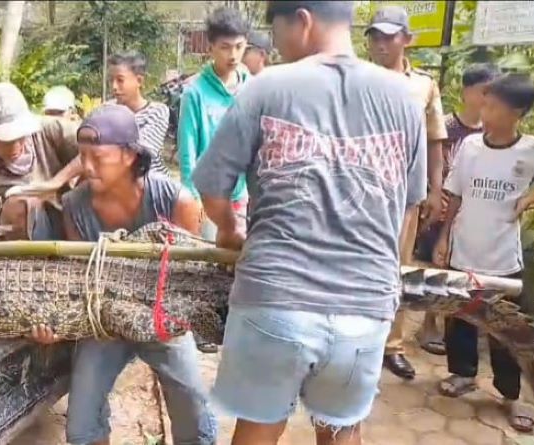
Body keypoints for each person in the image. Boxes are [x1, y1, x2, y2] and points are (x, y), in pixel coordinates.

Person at [195, 2, 426, 444]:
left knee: (257, 427)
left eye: (277, 31)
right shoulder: (404, 99)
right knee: (341, 431)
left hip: (274, 299)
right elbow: (407, 203)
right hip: (365, 307)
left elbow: (212, 188)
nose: (277, 44)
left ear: (302, 20)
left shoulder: (266, 88)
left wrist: (229, 230)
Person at [29, 104, 214, 445]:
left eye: (97, 158)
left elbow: (189, 283)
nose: (86, 167)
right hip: (106, 325)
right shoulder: (74, 206)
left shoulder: (177, 201)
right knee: (81, 426)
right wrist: (57, 325)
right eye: (82, 156)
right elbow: (82, 281)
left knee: (193, 412)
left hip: (162, 320)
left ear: (130, 156)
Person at [433, 73, 534, 433]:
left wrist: (530, 197)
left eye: (493, 107)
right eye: (485, 103)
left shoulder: (532, 150)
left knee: (504, 329)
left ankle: (511, 394)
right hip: (464, 250)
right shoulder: (471, 146)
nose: (484, 112)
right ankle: (463, 374)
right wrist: (444, 237)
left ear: (517, 113)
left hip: (503, 258)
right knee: (460, 318)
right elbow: (456, 194)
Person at [366, 5, 448, 380]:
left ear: (407, 39)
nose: (380, 44)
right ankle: (353, 339)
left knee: (396, 268)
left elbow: (434, 141)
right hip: (357, 191)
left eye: (389, 36)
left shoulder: (423, 86)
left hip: (402, 195)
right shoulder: (356, 79)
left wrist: (436, 189)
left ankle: (391, 345)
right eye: (375, 37)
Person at [413, 63, 500, 355]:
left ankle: (457, 323)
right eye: (482, 91)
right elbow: (430, 161)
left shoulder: (493, 131)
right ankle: (429, 322)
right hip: (442, 206)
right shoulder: (446, 126)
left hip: (473, 209)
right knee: (437, 265)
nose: (487, 98)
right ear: (466, 92)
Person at [0, 83, 80, 241]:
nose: (16, 147)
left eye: (20, 137)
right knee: (16, 206)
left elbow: (98, 150)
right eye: (5, 141)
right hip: (30, 238)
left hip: (75, 215)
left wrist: (56, 182)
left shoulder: (51, 129)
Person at [178, 6, 249, 242]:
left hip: (242, 195)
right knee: (210, 256)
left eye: (239, 46)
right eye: (225, 47)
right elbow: (187, 151)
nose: (233, 55)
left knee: (240, 257)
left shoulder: (252, 87)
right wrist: (192, 198)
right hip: (207, 199)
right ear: (210, 48)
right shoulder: (194, 92)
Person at [108, 51, 171, 176]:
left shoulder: (157, 112)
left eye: (120, 80)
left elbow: (140, 152)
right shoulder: (106, 109)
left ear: (139, 81)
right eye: (111, 80)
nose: (114, 86)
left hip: (149, 180)